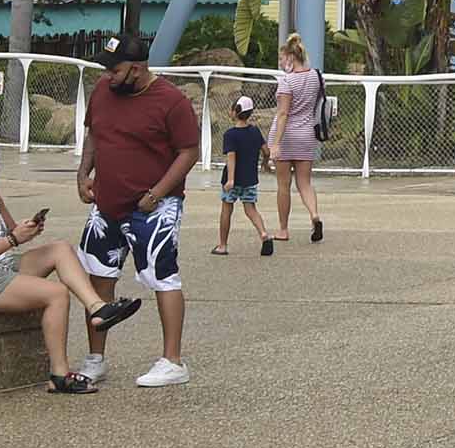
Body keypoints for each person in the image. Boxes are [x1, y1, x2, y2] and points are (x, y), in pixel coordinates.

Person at [0, 140, 140, 395]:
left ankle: (98, 308)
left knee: (60, 248)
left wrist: (27, 230)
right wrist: (13, 239)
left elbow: (9, 233)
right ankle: (59, 375)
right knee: (55, 294)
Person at [74, 34, 201, 388]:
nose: (108, 75)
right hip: (107, 202)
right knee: (98, 277)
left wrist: (159, 193)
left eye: (114, 70)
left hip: (153, 205)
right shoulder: (103, 91)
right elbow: (94, 134)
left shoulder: (171, 102)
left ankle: (173, 361)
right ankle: (95, 358)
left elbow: (188, 152)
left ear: (137, 68)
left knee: (162, 276)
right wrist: (84, 172)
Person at [270, 34, 327, 244]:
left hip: (287, 137)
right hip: (307, 135)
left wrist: (275, 142)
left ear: (290, 58)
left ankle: (283, 229)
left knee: (283, 185)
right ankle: (314, 216)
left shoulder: (287, 82)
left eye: (282, 59)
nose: (281, 63)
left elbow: (283, 113)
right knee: (305, 183)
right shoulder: (316, 77)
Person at [214, 92, 275, 258]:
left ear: (235, 111)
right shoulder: (255, 131)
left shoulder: (230, 135)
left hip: (232, 180)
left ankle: (222, 245)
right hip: (249, 179)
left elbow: (231, 158)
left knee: (227, 209)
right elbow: (266, 151)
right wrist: (264, 162)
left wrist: (231, 179)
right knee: (251, 209)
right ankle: (263, 234)